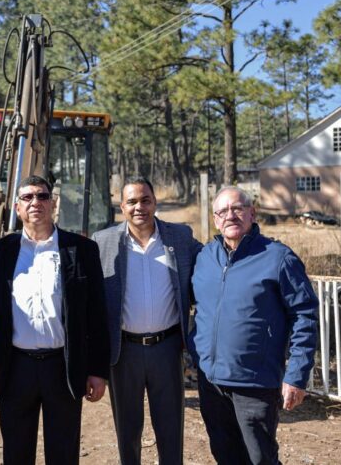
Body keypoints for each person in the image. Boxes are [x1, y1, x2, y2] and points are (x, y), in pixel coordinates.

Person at [189, 186, 319, 465]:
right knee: (225, 455)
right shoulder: (204, 258)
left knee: (259, 457)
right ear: (215, 219)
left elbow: (304, 315)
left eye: (237, 208)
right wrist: (193, 348)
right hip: (211, 380)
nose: (230, 216)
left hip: (255, 381)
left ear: (252, 212)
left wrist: (296, 374)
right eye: (222, 211)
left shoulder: (278, 258)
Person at [0, 174, 109, 465]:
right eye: (27, 197)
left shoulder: (81, 249)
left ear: (53, 203)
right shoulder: (2, 251)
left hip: (63, 367)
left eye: (42, 196)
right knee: (16, 453)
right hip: (17, 367)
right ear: (17, 208)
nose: (35, 202)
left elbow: (97, 313)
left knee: (64, 454)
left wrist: (97, 370)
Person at [92, 176, 201, 465]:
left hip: (167, 348)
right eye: (132, 202)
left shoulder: (179, 237)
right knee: (127, 432)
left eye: (145, 200)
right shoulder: (102, 243)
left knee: (170, 429)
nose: (139, 207)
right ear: (121, 206)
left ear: (155, 202)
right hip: (123, 351)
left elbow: (212, 266)